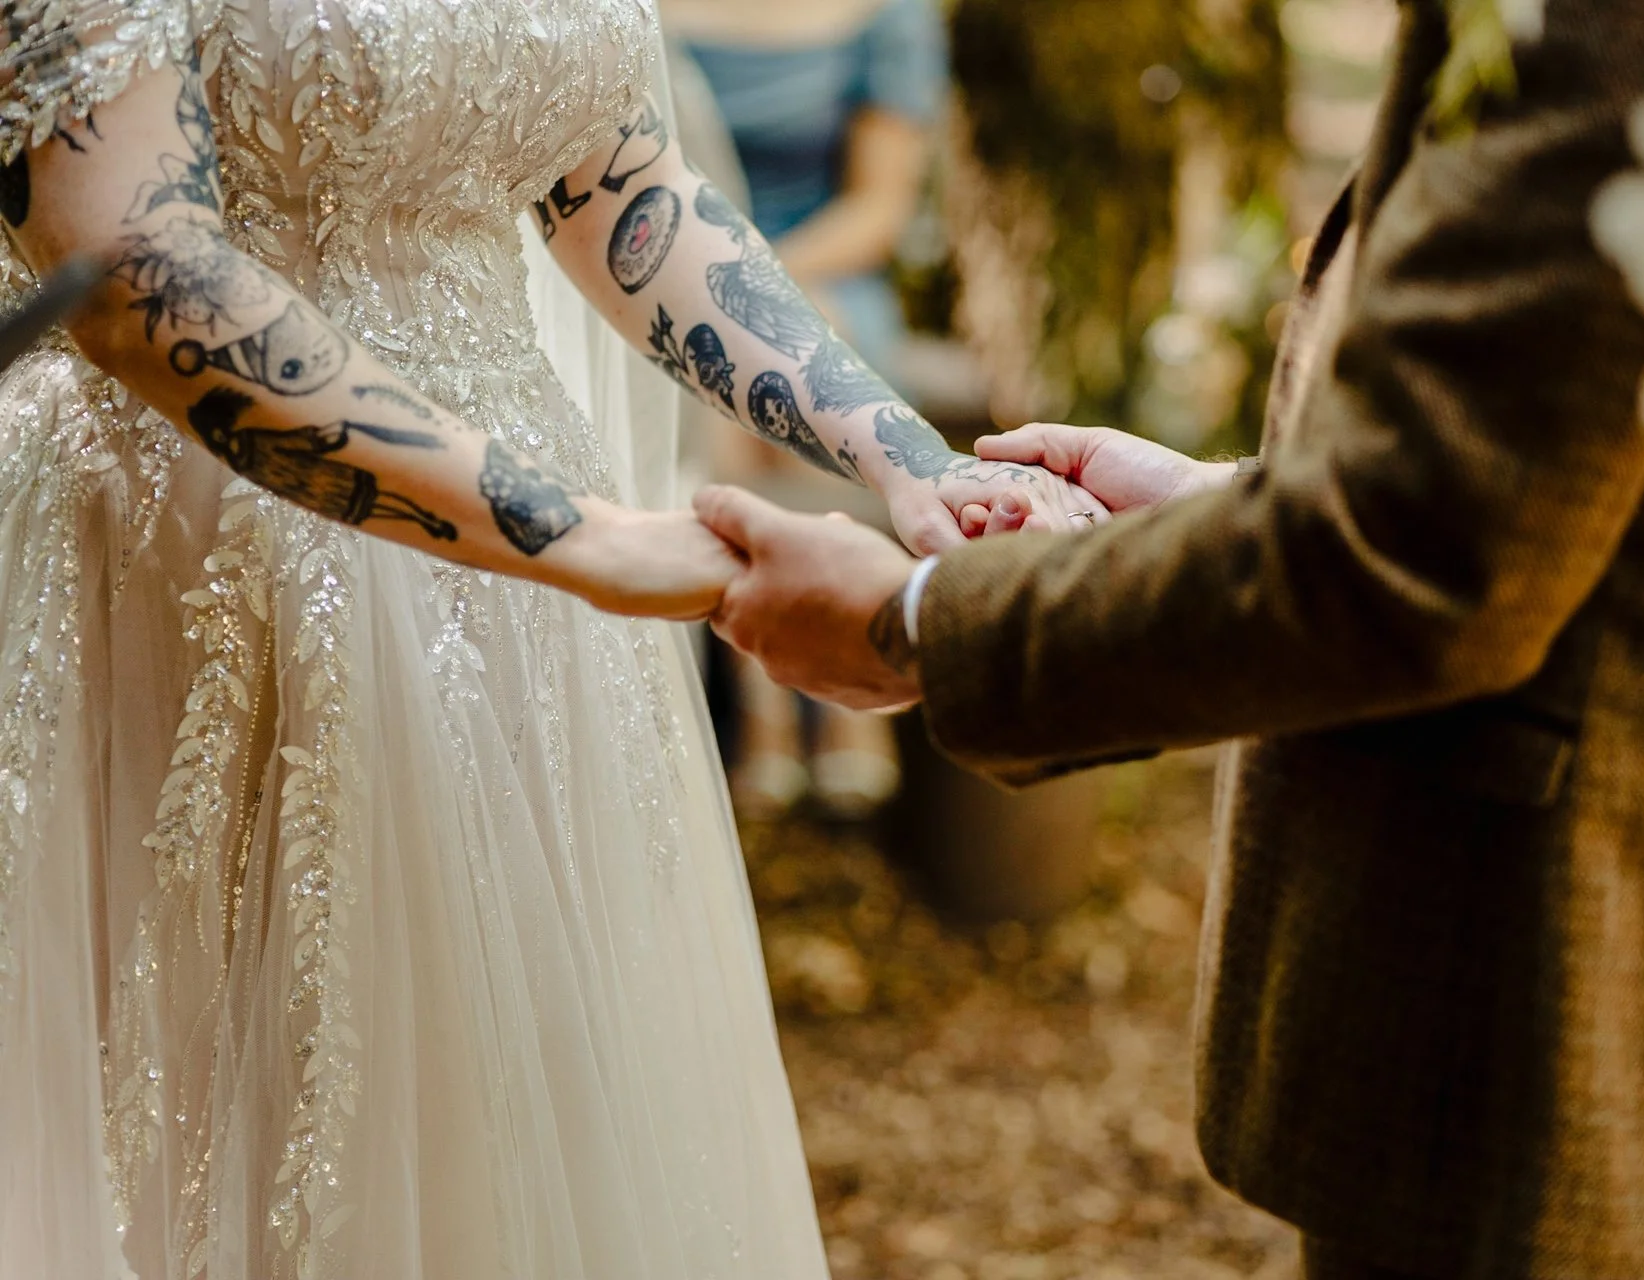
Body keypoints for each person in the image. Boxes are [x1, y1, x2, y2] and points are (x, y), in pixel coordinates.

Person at [693, 0, 1644, 1277]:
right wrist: (1232, 500)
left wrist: (914, 628)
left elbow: (1424, 554)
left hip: (1604, 1006)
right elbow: (1553, 450)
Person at [0, 2, 1099, 1276]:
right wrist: (586, 539)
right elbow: (134, 265)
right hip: (192, 564)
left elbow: (631, 198)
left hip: (536, 621)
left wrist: (910, 467)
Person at [666, 0, 950, 819]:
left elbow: (878, 207)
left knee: (806, 344)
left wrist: (752, 286)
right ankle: (777, 708)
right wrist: (710, 295)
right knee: (715, 358)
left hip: (821, 262)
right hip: (663, 271)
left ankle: (830, 673)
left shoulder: (889, 16)